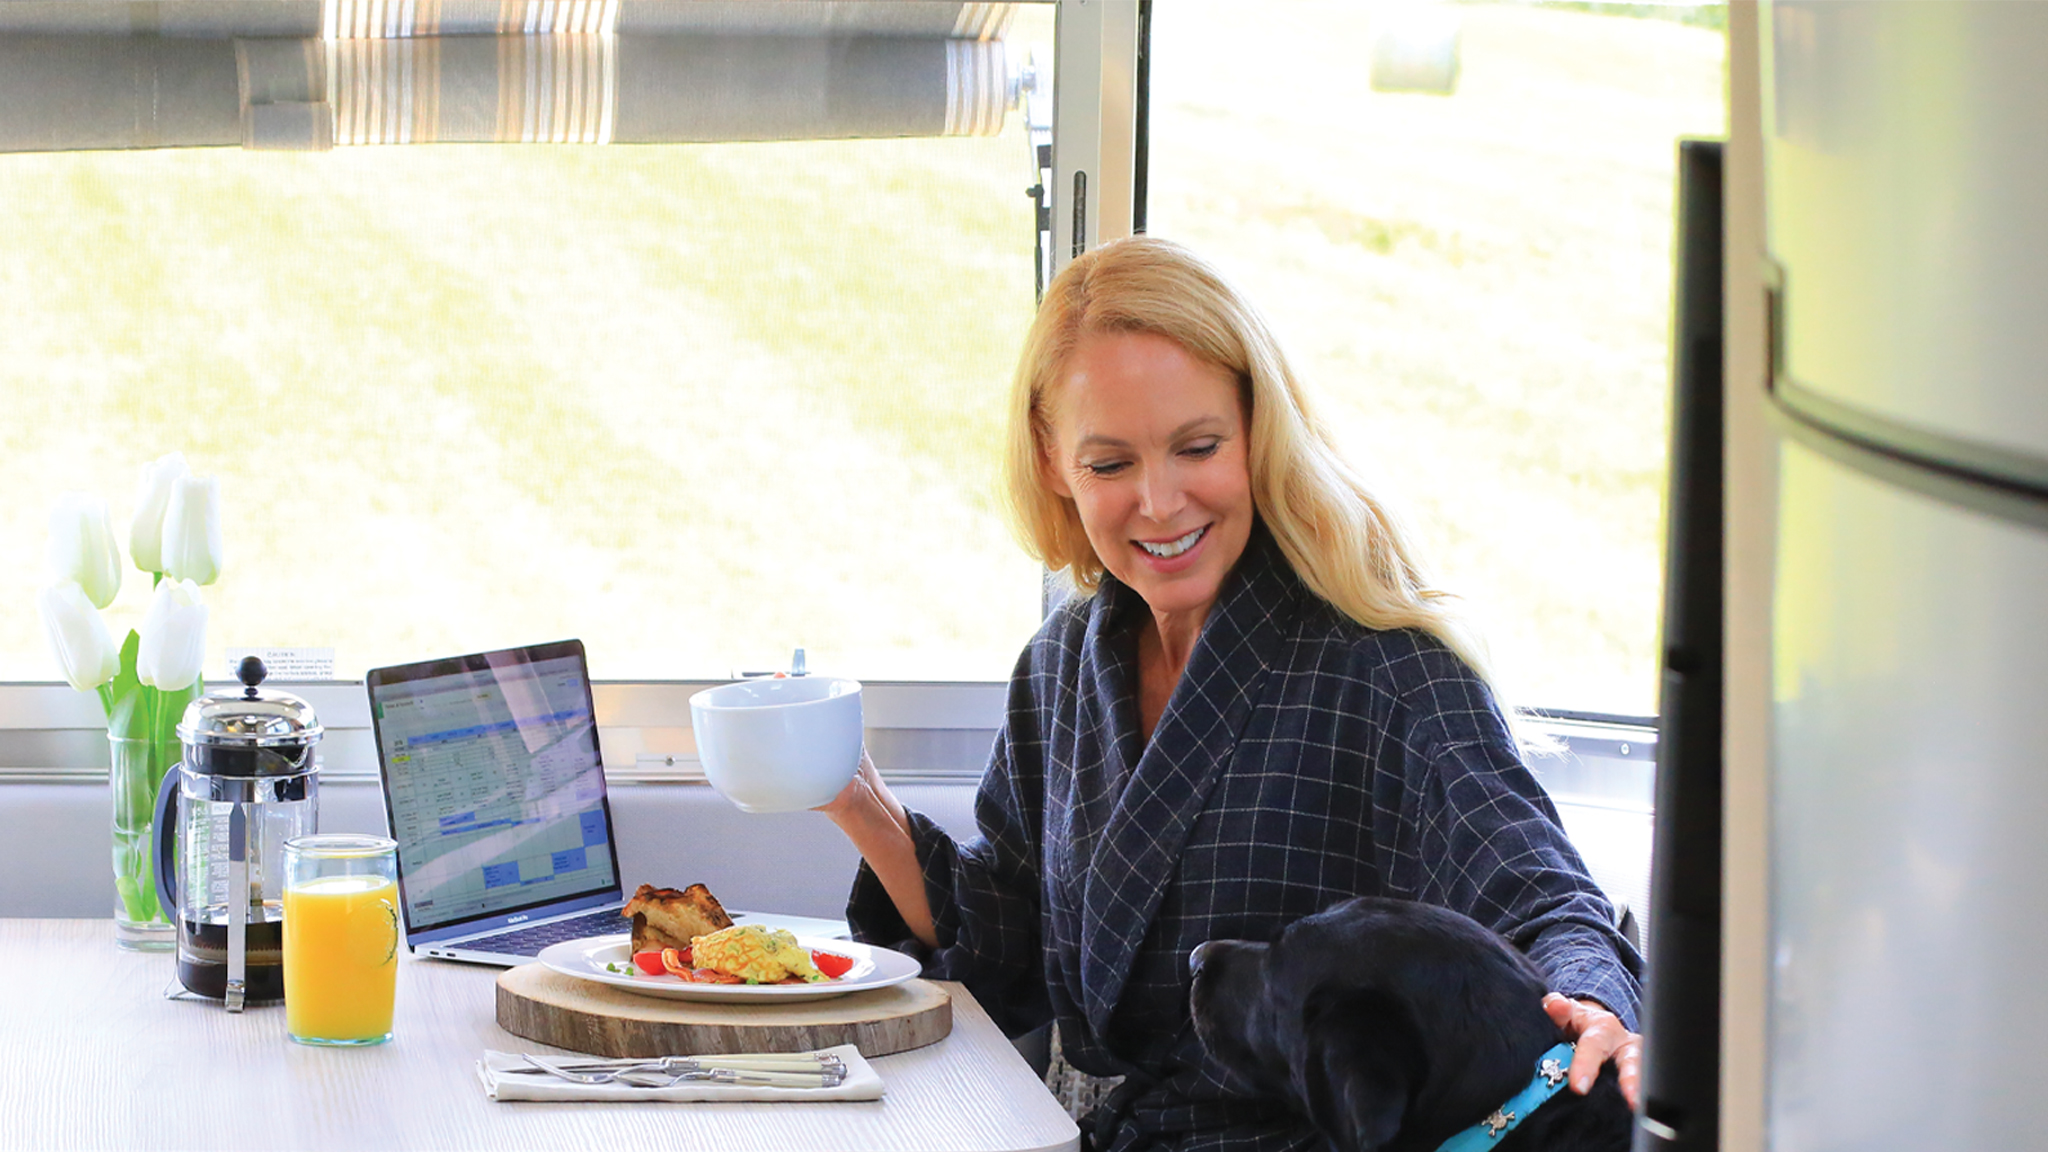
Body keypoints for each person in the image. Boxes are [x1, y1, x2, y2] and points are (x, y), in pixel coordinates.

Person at [819, 236, 1642, 1151]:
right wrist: (854, 799)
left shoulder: (1385, 666)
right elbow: (1005, 952)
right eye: (1110, 465)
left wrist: (1596, 1004)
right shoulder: (1060, 664)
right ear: (1053, 462)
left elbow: (1543, 898)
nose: (1160, 502)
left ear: (1259, 429)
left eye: (1198, 447)